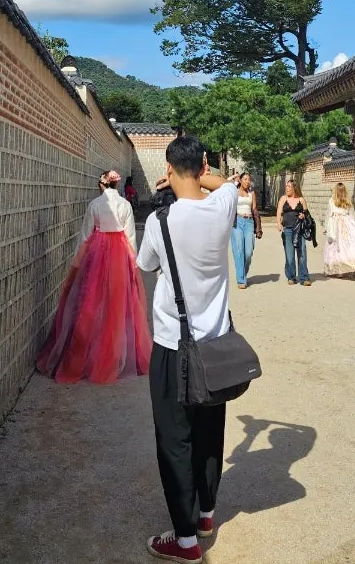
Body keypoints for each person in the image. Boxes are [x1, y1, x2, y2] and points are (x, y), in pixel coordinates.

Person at [137, 137, 239, 562]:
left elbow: (146, 265)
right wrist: (199, 177)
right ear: (203, 164)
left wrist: (178, 182)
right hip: (215, 345)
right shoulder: (222, 206)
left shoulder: (160, 222)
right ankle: (206, 515)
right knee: (209, 433)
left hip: (172, 346)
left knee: (174, 440)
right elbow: (227, 183)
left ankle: (184, 541)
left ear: (167, 167)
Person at [37, 170, 151, 384]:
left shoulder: (95, 205)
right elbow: (130, 237)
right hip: (119, 255)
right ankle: (114, 356)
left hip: (98, 254)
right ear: (116, 185)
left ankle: (86, 355)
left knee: (92, 304)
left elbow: (85, 234)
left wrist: (77, 262)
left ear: (102, 184)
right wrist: (133, 264)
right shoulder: (125, 205)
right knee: (118, 306)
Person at [322, 182, 355, 277]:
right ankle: (349, 269)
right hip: (347, 224)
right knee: (347, 246)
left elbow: (329, 214)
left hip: (335, 224)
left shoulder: (332, 200)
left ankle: (339, 270)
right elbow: (352, 216)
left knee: (336, 247)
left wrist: (326, 227)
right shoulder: (348, 201)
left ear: (335, 191)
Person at [276, 178, 311, 287]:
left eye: (289, 186)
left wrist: (303, 215)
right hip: (287, 230)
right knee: (289, 255)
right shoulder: (283, 198)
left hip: (299, 230)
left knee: (302, 254)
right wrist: (279, 223)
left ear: (294, 188)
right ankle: (291, 277)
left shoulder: (301, 200)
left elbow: (307, 214)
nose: (287, 188)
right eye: (286, 186)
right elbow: (279, 212)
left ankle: (304, 277)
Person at [230, 171, 262, 289]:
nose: (248, 181)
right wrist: (234, 178)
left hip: (249, 222)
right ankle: (241, 279)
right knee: (238, 250)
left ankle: (243, 273)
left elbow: (255, 210)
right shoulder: (234, 191)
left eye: (249, 179)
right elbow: (224, 185)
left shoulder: (251, 193)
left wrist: (258, 228)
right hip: (237, 222)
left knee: (248, 252)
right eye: (245, 179)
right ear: (240, 180)